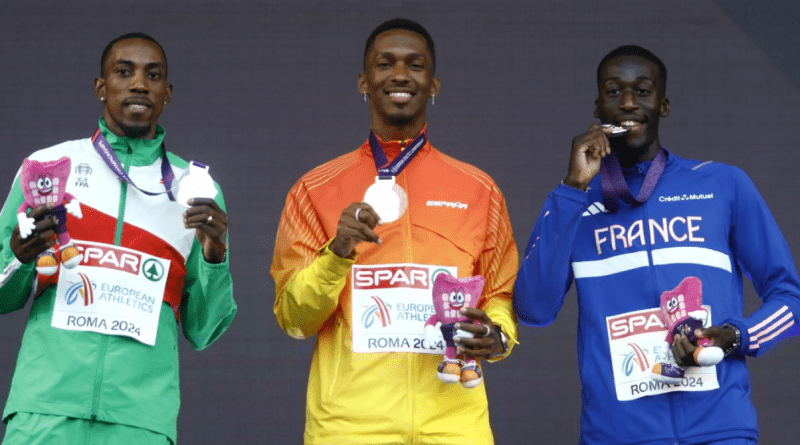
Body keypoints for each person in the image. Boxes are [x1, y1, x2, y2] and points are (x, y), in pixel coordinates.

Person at [513, 44, 800, 444]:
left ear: (663, 105)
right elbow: (533, 310)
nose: (628, 103)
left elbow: (790, 300)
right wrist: (574, 187)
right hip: (616, 435)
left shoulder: (723, 185)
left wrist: (735, 337)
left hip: (720, 431)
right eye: (614, 92)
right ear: (598, 108)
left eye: (642, 91)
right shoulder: (573, 202)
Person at [271, 18, 518, 445]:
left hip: (454, 426)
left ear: (434, 84)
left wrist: (496, 336)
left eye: (415, 65)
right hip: (348, 428)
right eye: (385, 64)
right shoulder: (313, 189)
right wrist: (339, 251)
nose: (400, 74)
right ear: (364, 82)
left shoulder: (479, 189)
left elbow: (500, 293)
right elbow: (294, 319)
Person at [0, 33, 235, 445]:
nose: (139, 84)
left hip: (141, 421)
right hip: (45, 411)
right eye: (124, 72)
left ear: (168, 93)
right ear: (100, 87)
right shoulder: (47, 168)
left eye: (153, 75)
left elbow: (204, 329)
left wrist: (215, 256)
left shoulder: (195, 188)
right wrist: (19, 259)